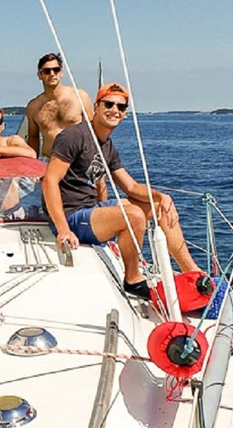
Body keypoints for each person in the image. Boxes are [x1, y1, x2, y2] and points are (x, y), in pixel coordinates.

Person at [42, 83, 202, 299]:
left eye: (121, 107)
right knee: (134, 216)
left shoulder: (107, 146)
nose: (114, 110)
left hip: (92, 211)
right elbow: (50, 180)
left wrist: (162, 196)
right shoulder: (74, 136)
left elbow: (130, 187)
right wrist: (63, 229)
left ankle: (193, 273)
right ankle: (133, 280)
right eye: (109, 104)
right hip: (71, 216)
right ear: (96, 106)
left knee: (160, 209)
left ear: (125, 113)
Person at [22, 53, 94, 159]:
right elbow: (33, 139)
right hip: (49, 161)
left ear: (61, 73)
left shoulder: (80, 97)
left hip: (77, 162)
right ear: (39, 75)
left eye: (56, 70)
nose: (52, 74)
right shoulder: (33, 107)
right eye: (47, 71)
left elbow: (92, 132)